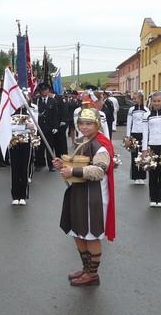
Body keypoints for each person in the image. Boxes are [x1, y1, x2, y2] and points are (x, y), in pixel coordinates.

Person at [53, 108, 115, 287]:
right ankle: (87, 268)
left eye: (89, 124)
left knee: (91, 235)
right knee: (77, 231)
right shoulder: (82, 141)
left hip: (93, 196)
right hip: (79, 193)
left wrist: (73, 171)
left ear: (97, 125)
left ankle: (92, 274)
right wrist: (62, 165)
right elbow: (76, 163)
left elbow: (98, 171)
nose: (85, 127)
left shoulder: (100, 145)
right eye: (82, 124)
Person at [141, 91, 161, 207]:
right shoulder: (146, 115)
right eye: (154, 101)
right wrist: (144, 149)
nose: (156, 103)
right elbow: (145, 133)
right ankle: (153, 198)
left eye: (158, 101)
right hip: (151, 147)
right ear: (151, 102)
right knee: (152, 173)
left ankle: (160, 199)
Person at [9, 100, 36, 205]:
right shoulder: (10, 113)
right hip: (13, 143)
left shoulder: (30, 112)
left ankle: (23, 195)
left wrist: (25, 128)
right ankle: (15, 195)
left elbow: (33, 128)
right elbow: (10, 127)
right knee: (15, 168)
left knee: (24, 168)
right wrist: (24, 127)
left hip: (26, 142)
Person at [34, 83, 58, 172]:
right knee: (38, 147)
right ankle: (38, 164)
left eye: (45, 90)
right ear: (40, 91)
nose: (44, 91)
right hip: (39, 127)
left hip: (49, 127)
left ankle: (51, 165)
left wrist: (56, 126)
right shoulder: (36, 101)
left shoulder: (53, 101)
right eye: (42, 90)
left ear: (48, 90)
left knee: (49, 147)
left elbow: (55, 115)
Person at [126, 90, 149, 185]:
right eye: (133, 98)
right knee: (134, 156)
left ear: (140, 98)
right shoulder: (131, 110)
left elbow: (148, 124)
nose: (134, 100)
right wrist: (128, 136)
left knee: (143, 155)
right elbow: (129, 123)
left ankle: (142, 176)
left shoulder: (146, 110)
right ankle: (135, 177)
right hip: (134, 134)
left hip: (143, 134)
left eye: (135, 98)